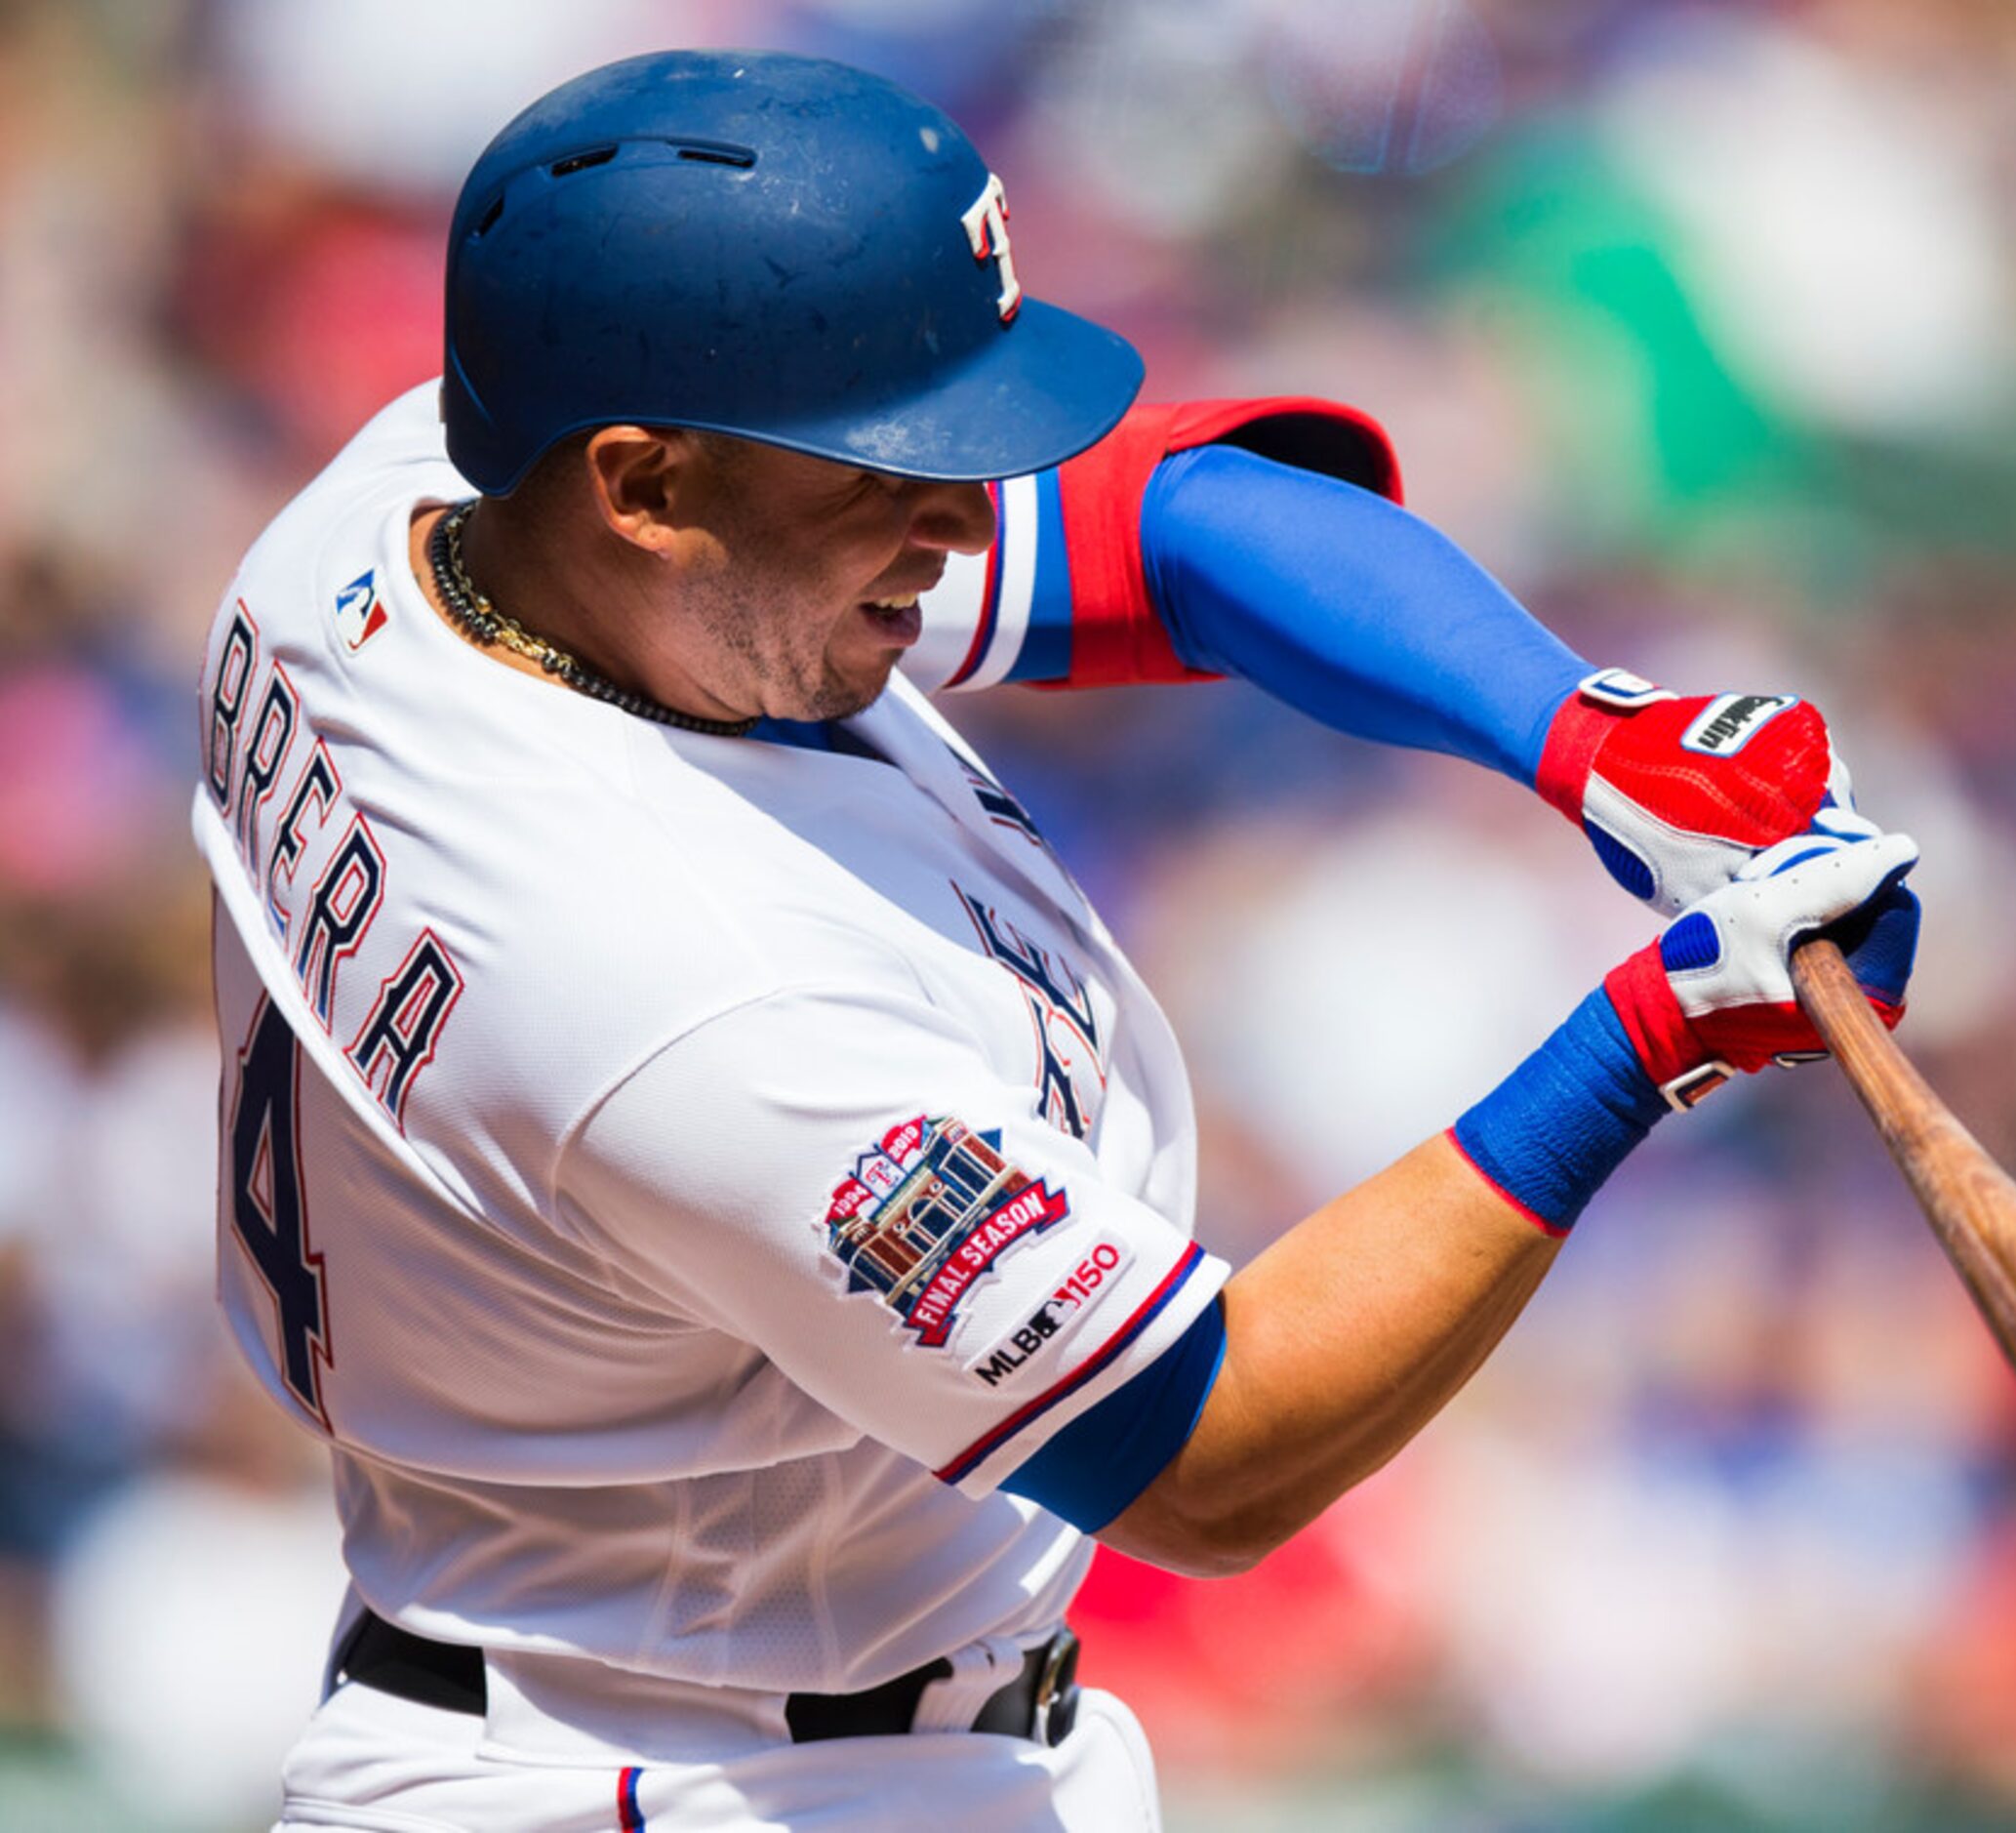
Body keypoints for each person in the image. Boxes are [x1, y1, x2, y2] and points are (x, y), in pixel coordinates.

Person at [195, 49, 1920, 1832]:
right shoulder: (671, 986)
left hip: (711, 1687)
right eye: (884, 464)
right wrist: (1651, 1036)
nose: (951, 512)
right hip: (686, 1773)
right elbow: (1217, 1451)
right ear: (643, 483)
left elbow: (1164, 526)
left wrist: (1589, 734)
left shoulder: (421, 510)